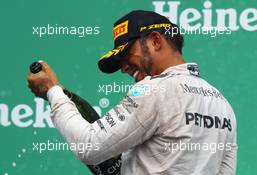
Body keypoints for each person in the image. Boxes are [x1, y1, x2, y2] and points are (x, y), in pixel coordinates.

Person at [27, 10, 237, 175]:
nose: (124, 67)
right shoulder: (222, 104)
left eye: (127, 54)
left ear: (156, 41)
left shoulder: (154, 90)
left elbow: (87, 145)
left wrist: (52, 91)